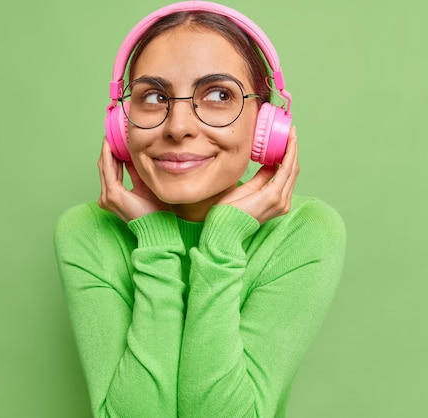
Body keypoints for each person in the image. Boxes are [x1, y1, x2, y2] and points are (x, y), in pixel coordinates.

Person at [54, 1, 346, 417]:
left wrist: (223, 242)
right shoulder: (85, 232)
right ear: (121, 124)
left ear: (265, 123)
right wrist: (154, 239)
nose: (178, 126)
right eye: (153, 96)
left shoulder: (306, 231)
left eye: (218, 95)